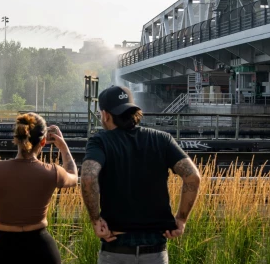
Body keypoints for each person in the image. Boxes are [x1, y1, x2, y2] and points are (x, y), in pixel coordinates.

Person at [81, 86, 200, 264]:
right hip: (155, 250)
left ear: (105, 114)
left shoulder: (100, 141)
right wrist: (181, 218)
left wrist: (95, 220)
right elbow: (193, 177)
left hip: (116, 248)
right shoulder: (162, 139)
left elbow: (88, 177)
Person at [0, 112, 78, 264]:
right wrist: (63, 146)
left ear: (15, 139)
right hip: (42, 249)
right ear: (43, 142)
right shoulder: (52, 171)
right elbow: (73, 177)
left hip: (4, 250)